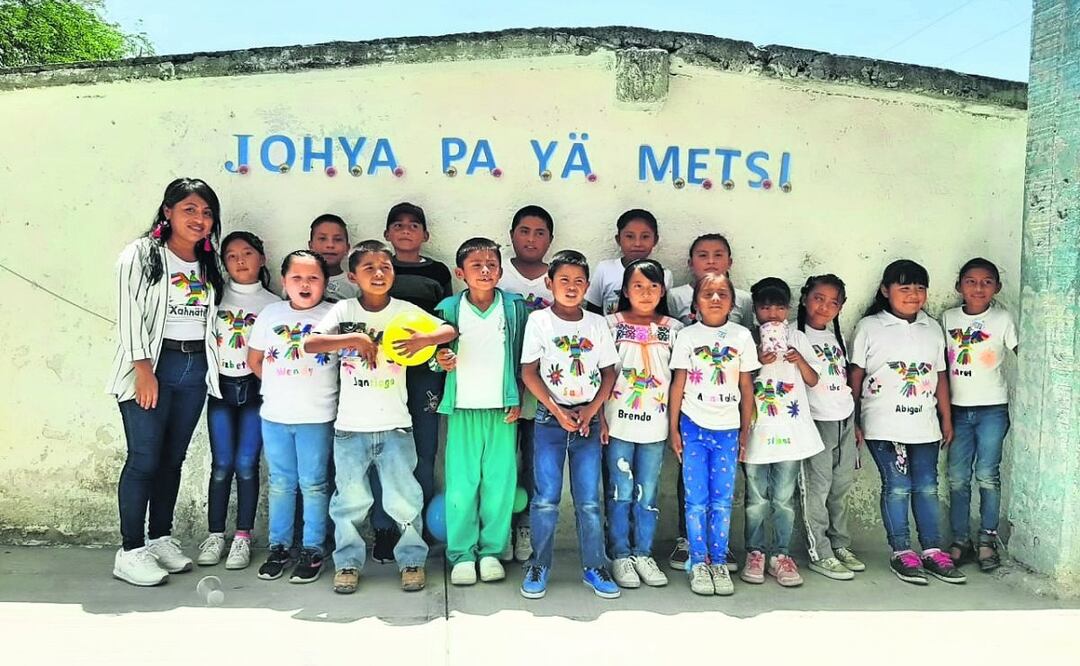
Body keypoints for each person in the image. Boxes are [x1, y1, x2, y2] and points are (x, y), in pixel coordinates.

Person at [304, 240, 456, 594]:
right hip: (350, 428)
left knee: (404, 499)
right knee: (350, 501)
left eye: (385, 267)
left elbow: (448, 330)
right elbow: (310, 344)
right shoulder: (342, 311)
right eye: (369, 268)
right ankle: (348, 563)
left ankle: (412, 560)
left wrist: (425, 340)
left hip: (396, 424)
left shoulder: (403, 311)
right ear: (352, 275)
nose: (378, 273)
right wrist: (354, 337)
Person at [108, 177, 225, 587]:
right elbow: (128, 314)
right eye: (189, 209)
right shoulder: (142, 255)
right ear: (167, 212)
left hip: (194, 370)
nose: (199, 219)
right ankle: (130, 549)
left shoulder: (208, 262)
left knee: (172, 459)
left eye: (207, 212)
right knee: (144, 459)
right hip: (153, 366)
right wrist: (143, 369)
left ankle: (159, 538)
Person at [849, 259, 965, 585]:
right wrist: (853, 419)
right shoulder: (870, 327)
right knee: (898, 486)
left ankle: (931, 550)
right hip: (883, 426)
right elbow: (855, 376)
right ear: (886, 291)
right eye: (904, 287)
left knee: (927, 487)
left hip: (925, 426)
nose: (913, 294)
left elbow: (941, 375)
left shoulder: (932, 327)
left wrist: (946, 417)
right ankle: (901, 551)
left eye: (919, 288)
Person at [519, 250, 620, 599]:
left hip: (587, 423)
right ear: (549, 283)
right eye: (564, 280)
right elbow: (529, 372)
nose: (572, 287)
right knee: (545, 498)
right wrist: (556, 410)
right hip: (550, 419)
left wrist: (594, 410)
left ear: (588, 286)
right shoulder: (539, 322)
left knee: (589, 500)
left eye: (579, 281)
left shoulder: (596, 323)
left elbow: (609, 372)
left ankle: (594, 565)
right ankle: (539, 563)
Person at [432, 237, 528, 585]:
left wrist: (517, 397)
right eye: (476, 265)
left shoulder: (515, 307)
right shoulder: (448, 308)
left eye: (491, 264)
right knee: (461, 484)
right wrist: (440, 360)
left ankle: (491, 551)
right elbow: (432, 357)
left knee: (500, 484)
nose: (485, 271)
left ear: (501, 271)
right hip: (462, 408)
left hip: (502, 408)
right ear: (461, 273)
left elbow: (524, 357)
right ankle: (461, 554)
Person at [248, 250, 337, 584]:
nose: (304, 284)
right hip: (275, 416)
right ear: (284, 282)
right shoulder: (270, 314)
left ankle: (313, 547)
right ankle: (279, 546)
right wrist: (281, 388)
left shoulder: (334, 314)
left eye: (313, 278)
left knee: (314, 484)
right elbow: (256, 361)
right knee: (281, 483)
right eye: (297, 278)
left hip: (317, 417)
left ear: (324, 282)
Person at [668, 273, 758, 595]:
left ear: (732, 302)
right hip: (693, 425)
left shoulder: (742, 336)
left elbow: (746, 387)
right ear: (696, 302)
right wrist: (673, 429)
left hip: (728, 429)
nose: (716, 299)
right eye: (708, 293)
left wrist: (744, 431)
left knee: (722, 500)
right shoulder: (687, 337)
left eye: (722, 293)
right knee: (696, 500)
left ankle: (719, 560)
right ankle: (698, 561)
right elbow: (677, 384)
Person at [375, 202, 454, 561]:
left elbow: (446, 322)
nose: (406, 231)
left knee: (424, 451)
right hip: (383, 376)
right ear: (388, 233)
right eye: (398, 225)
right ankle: (384, 528)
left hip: (425, 377)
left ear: (425, 235)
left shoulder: (437, 272)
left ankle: (415, 526)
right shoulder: (379, 268)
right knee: (384, 451)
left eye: (413, 225)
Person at [196, 231, 279, 570]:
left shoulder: (275, 304)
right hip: (220, 391)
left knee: (247, 465)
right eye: (231, 255)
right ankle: (216, 534)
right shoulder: (213, 298)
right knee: (221, 466)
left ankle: (243, 536)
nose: (240, 260)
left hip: (256, 393)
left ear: (261, 258)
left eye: (247, 253)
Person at [601, 259, 682, 589]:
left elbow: (679, 380)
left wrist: (674, 426)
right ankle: (620, 554)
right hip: (617, 423)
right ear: (624, 290)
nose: (645, 293)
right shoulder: (611, 325)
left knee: (647, 491)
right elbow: (602, 373)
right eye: (638, 286)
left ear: (662, 290)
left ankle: (643, 552)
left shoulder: (674, 329)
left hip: (655, 427)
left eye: (652, 286)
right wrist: (599, 420)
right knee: (619, 490)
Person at [740, 278, 822, 588]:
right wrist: (756, 362)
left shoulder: (798, 338)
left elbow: (814, 380)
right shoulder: (747, 339)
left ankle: (781, 554)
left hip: (791, 431)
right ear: (755, 311)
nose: (772, 313)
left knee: (784, 499)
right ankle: (756, 552)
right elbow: (735, 379)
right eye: (765, 307)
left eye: (779, 307)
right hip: (757, 431)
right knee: (756, 498)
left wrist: (799, 360)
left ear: (788, 310)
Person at [942, 258, 1017, 572]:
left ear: (997, 287)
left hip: (992, 410)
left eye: (987, 281)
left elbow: (1024, 351)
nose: (978, 287)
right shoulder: (947, 318)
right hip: (957, 411)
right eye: (971, 281)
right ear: (959, 286)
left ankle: (987, 539)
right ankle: (961, 541)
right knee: (957, 478)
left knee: (987, 475)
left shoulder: (1002, 319)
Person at [795, 274, 865, 580]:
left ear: (841, 307)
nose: (824, 307)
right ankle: (820, 551)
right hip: (816, 421)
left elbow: (842, 380)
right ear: (804, 299)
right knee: (817, 489)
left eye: (833, 302)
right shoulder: (797, 337)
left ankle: (840, 544)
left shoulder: (836, 337)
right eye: (818, 298)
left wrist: (856, 421)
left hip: (845, 419)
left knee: (841, 487)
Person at [497, 205, 556, 562]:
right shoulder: (498, 274)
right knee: (502, 461)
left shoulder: (557, 277)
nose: (531, 238)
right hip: (503, 385)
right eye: (524, 230)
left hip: (544, 388)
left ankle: (525, 526)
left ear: (550, 239)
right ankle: (498, 524)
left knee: (535, 462)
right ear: (512, 235)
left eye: (539, 232)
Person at [585, 209, 673, 315]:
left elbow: (662, 312)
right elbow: (593, 310)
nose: (637, 243)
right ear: (618, 239)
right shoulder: (605, 269)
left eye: (645, 237)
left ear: (655, 240)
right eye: (629, 236)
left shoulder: (664, 274)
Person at [308, 213, 358, 302]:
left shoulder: (356, 285)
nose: (330, 245)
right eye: (322, 239)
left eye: (338, 239)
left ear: (347, 248)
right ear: (310, 246)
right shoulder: (299, 281)